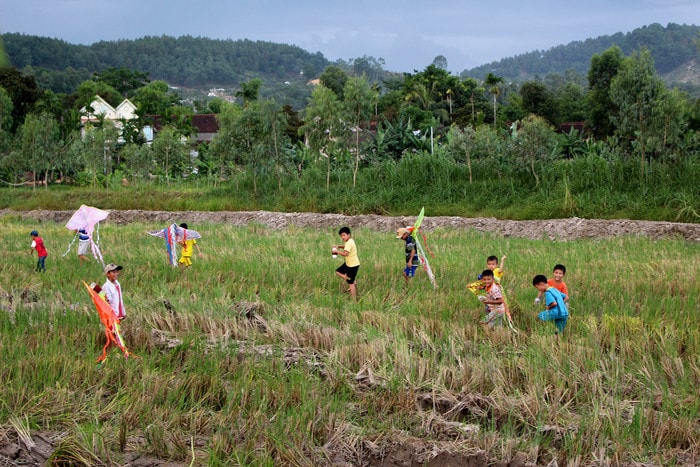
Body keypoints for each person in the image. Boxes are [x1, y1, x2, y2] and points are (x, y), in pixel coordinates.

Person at [333, 227, 360, 300]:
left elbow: (345, 253)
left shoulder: (350, 242)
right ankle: (351, 280)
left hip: (353, 265)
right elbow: (346, 247)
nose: (342, 237)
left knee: (350, 284)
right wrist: (339, 246)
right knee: (338, 271)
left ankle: (354, 300)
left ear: (349, 234)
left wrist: (336, 251)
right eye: (341, 236)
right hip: (348, 264)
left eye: (344, 235)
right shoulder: (349, 241)